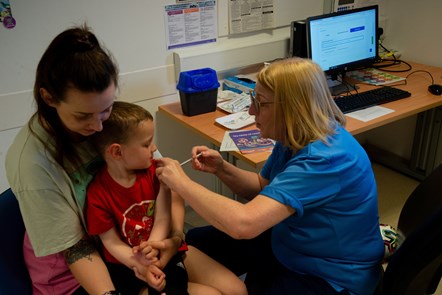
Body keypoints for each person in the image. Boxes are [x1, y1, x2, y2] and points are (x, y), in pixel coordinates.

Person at [5, 24, 247, 295]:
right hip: (85, 272)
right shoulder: (33, 163)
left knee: (235, 290)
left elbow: (167, 187)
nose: (98, 128)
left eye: (105, 110)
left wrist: (173, 239)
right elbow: (77, 249)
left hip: (144, 248)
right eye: (83, 116)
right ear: (49, 98)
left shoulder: (117, 126)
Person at [155, 58, 385, 295]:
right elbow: (261, 186)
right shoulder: (293, 137)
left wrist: (181, 183)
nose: (252, 110)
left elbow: (244, 225)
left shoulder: (326, 159)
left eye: (261, 103)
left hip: (330, 275)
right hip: (291, 244)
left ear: (293, 108)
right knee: (195, 241)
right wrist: (221, 168)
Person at [86, 101, 237, 295]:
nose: (154, 147)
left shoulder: (154, 173)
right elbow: (111, 242)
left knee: (233, 290)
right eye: (146, 143)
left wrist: (153, 247)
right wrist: (140, 261)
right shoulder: (97, 194)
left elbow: (163, 218)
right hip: (128, 267)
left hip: (164, 253)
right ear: (117, 152)